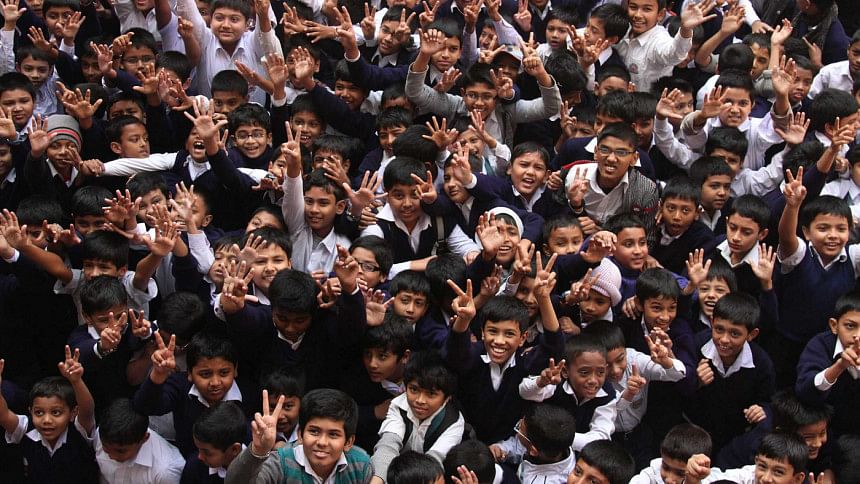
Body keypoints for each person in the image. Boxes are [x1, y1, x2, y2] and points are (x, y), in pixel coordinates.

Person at [225, 388, 374, 483]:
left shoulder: (361, 465)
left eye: (333, 434)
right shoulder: (281, 463)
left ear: (348, 442)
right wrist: (258, 450)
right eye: (314, 431)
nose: (322, 442)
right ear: (300, 435)